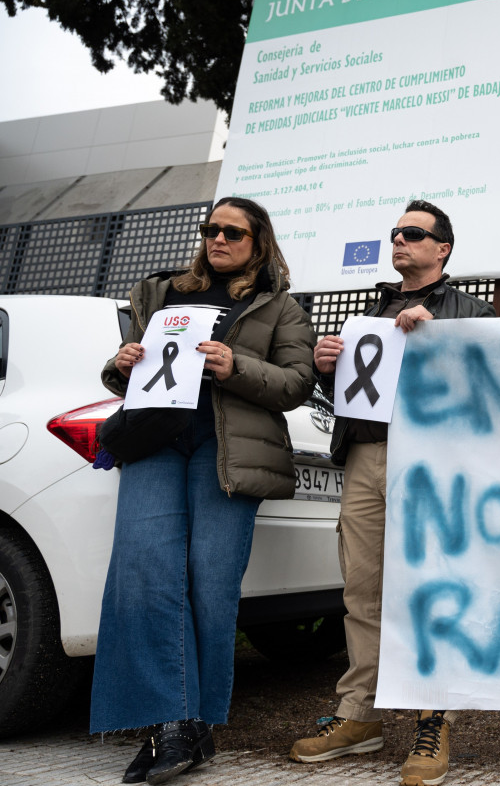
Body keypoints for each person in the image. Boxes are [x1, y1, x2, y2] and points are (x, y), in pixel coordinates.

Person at [90, 196, 317, 785]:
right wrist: (122, 363)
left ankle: (193, 725)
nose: (218, 239)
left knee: (209, 585)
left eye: (233, 233)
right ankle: (171, 725)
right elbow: (126, 373)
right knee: (143, 574)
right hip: (154, 439)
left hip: (227, 449)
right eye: (211, 229)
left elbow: (297, 383)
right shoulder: (161, 292)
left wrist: (235, 367)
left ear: (258, 243)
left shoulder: (280, 307)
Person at [289, 200, 495, 786]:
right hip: (365, 457)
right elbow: (353, 392)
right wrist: (326, 366)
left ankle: (434, 718)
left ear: (442, 248)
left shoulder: (470, 311)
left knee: (433, 587)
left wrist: (441, 339)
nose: (399, 240)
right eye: (395, 233)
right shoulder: (371, 312)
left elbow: (487, 386)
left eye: (413, 233)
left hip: (432, 460)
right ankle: (359, 714)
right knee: (362, 589)